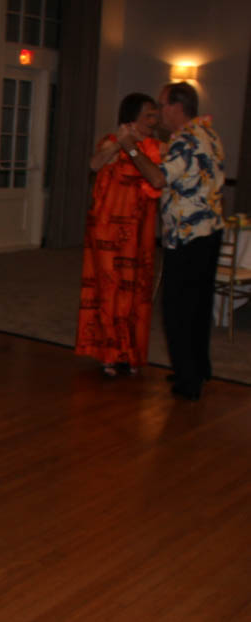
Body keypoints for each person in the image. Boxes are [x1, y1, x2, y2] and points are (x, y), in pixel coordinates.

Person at [117, 81, 225, 401]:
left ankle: (188, 381)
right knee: (199, 306)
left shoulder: (187, 141)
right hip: (210, 232)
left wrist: (130, 147)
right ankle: (198, 368)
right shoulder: (209, 133)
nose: (159, 112)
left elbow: (158, 177)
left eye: (162, 105)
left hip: (188, 237)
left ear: (177, 106)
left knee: (177, 309)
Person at [75, 93, 162, 377]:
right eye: (149, 114)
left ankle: (129, 354)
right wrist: (119, 144)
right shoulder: (112, 142)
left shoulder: (154, 147)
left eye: (155, 114)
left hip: (139, 230)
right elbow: (94, 164)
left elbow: (157, 179)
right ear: (132, 117)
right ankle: (108, 355)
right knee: (110, 290)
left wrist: (134, 147)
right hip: (109, 231)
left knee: (134, 291)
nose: (154, 120)